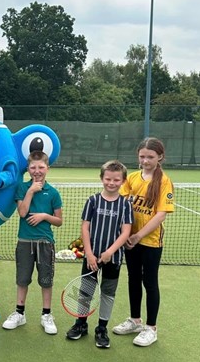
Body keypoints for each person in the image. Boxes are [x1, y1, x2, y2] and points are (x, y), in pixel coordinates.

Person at [113, 137, 175, 347]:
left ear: (160, 157)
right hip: (130, 240)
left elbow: (160, 215)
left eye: (150, 157)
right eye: (142, 156)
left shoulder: (164, 181)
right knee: (133, 279)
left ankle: (151, 328)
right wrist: (125, 234)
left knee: (150, 282)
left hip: (150, 241)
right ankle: (135, 320)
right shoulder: (131, 178)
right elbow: (121, 204)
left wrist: (138, 236)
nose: (146, 161)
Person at [65, 160, 133, 348]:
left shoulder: (125, 205)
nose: (111, 183)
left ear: (123, 181)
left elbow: (126, 232)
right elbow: (85, 227)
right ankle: (81, 323)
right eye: (108, 179)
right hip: (91, 257)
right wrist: (89, 253)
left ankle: (101, 328)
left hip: (114, 258)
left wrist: (110, 252)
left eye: (116, 180)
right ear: (102, 178)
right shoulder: (92, 201)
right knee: (86, 291)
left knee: (108, 293)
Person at [2, 151, 63, 334]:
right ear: (28, 169)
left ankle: (46, 315)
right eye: (33, 167)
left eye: (41, 167)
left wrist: (44, 216)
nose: (37, 171)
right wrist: (30, 191)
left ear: (47, 169)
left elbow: (59, 221)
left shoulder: (53, 193)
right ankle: (20, 313)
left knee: (46, 280)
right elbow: (22, 212)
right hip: (24, 242)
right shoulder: (22, 187)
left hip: (45, 243)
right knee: (22, 280)